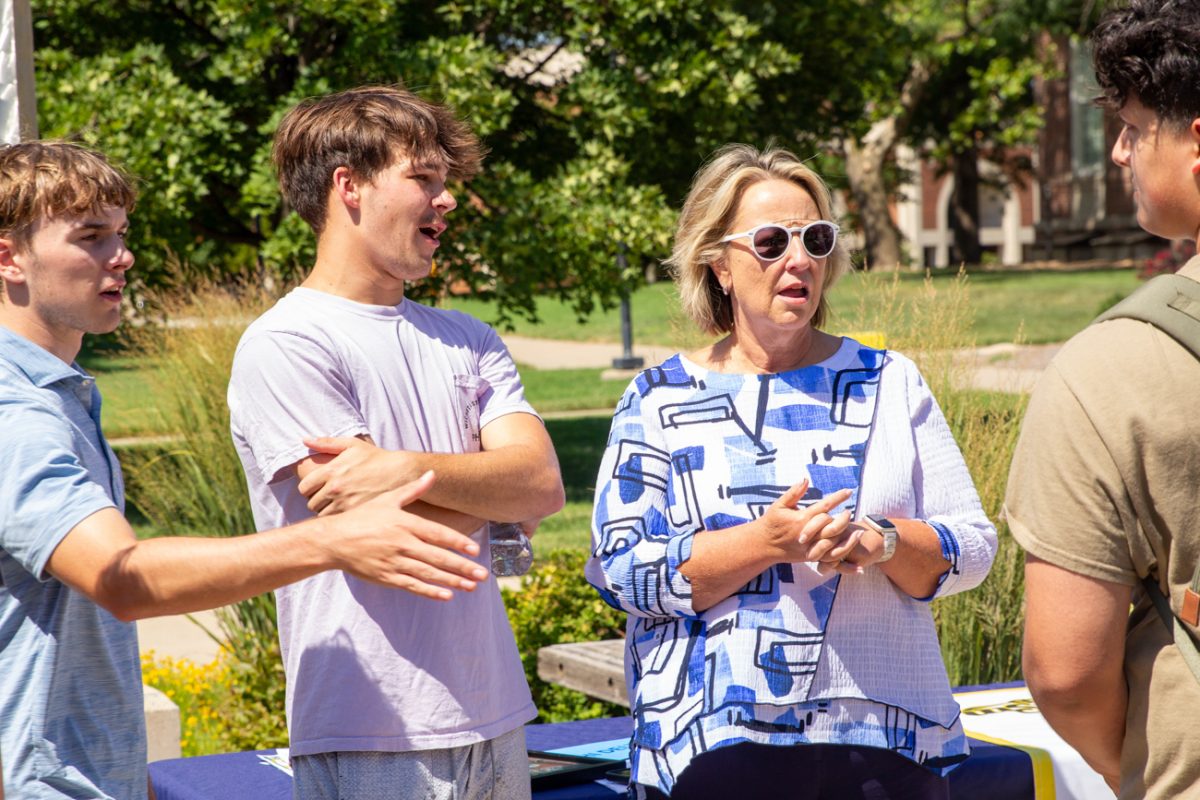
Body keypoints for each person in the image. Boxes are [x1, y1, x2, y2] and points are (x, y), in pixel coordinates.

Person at [0, 141, 489, 799]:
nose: (123, 256)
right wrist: (329, 542)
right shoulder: (15, 410)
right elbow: (121, 580)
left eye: (122, 233)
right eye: (92, 237)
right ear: (9, 257)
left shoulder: (59, 396)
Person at [586, 143, 998, 799]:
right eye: (772, 242)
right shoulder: (659, 398)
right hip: (713, 752)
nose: (800, 259)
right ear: (718, 263)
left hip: (880, 747)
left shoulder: (889, 383)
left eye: (817, 238)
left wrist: (881, 541)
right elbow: (619, 571)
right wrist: (766, 542)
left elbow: (974, 547)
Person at [226, 85, 564, 800]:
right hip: (371, 734)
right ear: (348, 186)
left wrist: (402, 468)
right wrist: (491, 488)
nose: (447, 202)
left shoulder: (468, 336)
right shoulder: (288, 343)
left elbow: (542, 484)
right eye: (424, 180)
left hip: (497, 722)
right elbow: (384, 546)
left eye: (447, 183)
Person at [1005, 2, 1200, 797]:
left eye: (1135, 124)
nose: (1119, 149)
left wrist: (1152, 762)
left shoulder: (1114, 369)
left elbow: (1065, 672)